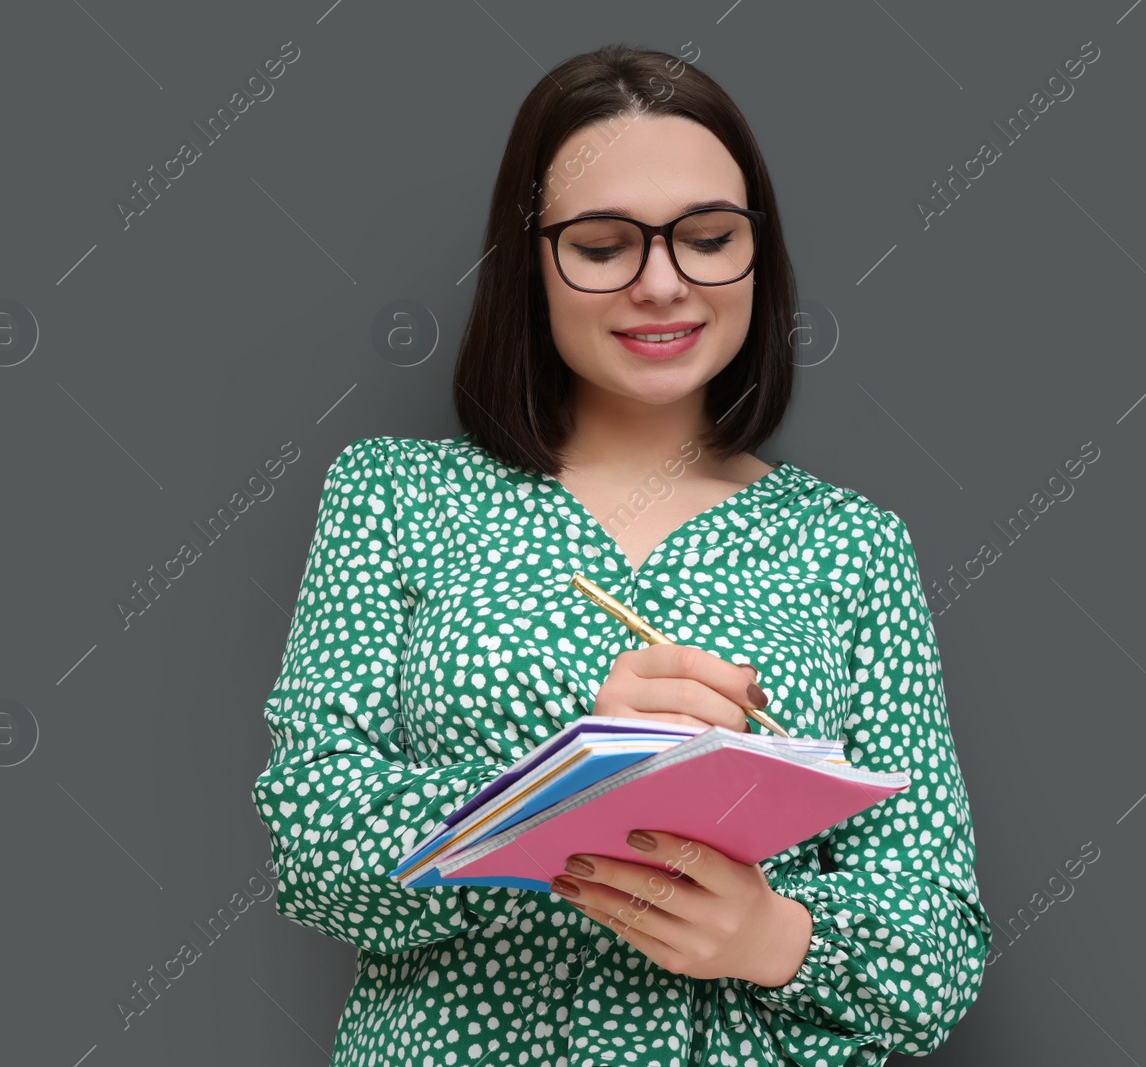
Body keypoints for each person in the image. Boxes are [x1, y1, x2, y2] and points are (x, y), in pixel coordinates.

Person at [252, 43, 991, 1067]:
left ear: (754, 253)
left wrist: (770, 935)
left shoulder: (850, 546)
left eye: (705, 237)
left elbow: (937, 945)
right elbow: (311, 846)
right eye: (603, 245)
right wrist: (565, 777)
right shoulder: (395, 494)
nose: (661, 282)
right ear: (532, 259)